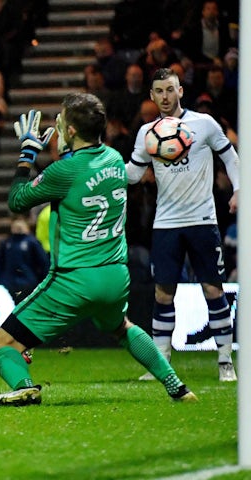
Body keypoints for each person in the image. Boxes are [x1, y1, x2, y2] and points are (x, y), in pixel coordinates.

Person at [0, 98, 197, 407]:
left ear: (70, 130)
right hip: (115, 275)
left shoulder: (64, 171)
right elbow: (76, 175)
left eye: (60, 123)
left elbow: (17, 201)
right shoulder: (112, 159)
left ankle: (25, 388)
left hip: (74, 279)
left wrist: (28, 152)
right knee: (120, 327)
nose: (56, 127)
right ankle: (177, 386)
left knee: (1, 345)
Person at [125, 68, 239, 382]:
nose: (165, 97)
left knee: (213, 291)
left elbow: (230, 157)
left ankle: (225, 362)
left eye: (170, 90)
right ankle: (161, 364)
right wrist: (100, 167)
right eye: (159, 91)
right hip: (166, 225)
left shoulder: (203, 123)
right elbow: (133, 175)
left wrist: (240, 190)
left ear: (180, 91)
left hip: (203, 221)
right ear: (151, 95)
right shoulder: (148, 132)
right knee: (163, 294)